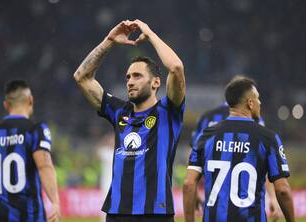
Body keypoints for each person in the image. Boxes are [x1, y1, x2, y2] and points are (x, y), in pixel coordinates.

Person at [73, 19, 185, 222]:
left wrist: (150, 34)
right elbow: (82, 77)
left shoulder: (168, 111)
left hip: (155, 213)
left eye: (137, 76)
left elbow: (176, 67)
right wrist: (109, 41)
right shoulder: (118, 111)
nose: (130, 81)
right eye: (128, 77)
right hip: (118, 213)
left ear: (156, 82)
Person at [183, 77, 295, 222]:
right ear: (250, 103)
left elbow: (188, 185)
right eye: (258, 99)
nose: (260, 103)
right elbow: (283, 190)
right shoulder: (268, 137)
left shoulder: (206, 136)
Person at [0, 80, 60, 222]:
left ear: (6, 105)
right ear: (30, 100)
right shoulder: (36, 130)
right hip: (29, 216)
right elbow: (44, 166)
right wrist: (55, 201)